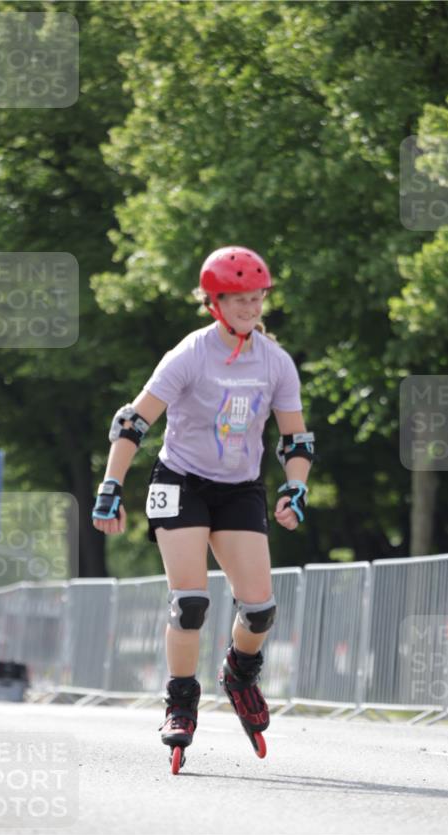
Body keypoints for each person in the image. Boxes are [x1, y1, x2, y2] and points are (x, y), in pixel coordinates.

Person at [92, 246, 315, 770]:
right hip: (181, 481)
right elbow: (133, 421)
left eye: (258, 299)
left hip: (239, 488)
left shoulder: (275, 362)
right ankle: (180, 703)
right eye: (239, 300)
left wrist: (295, 488)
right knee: (190, 602)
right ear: (215, 302)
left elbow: (296, 440)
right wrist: (110, 485)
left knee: (259, 610)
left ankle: (239, 672)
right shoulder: (190, 353)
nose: (251, 308)